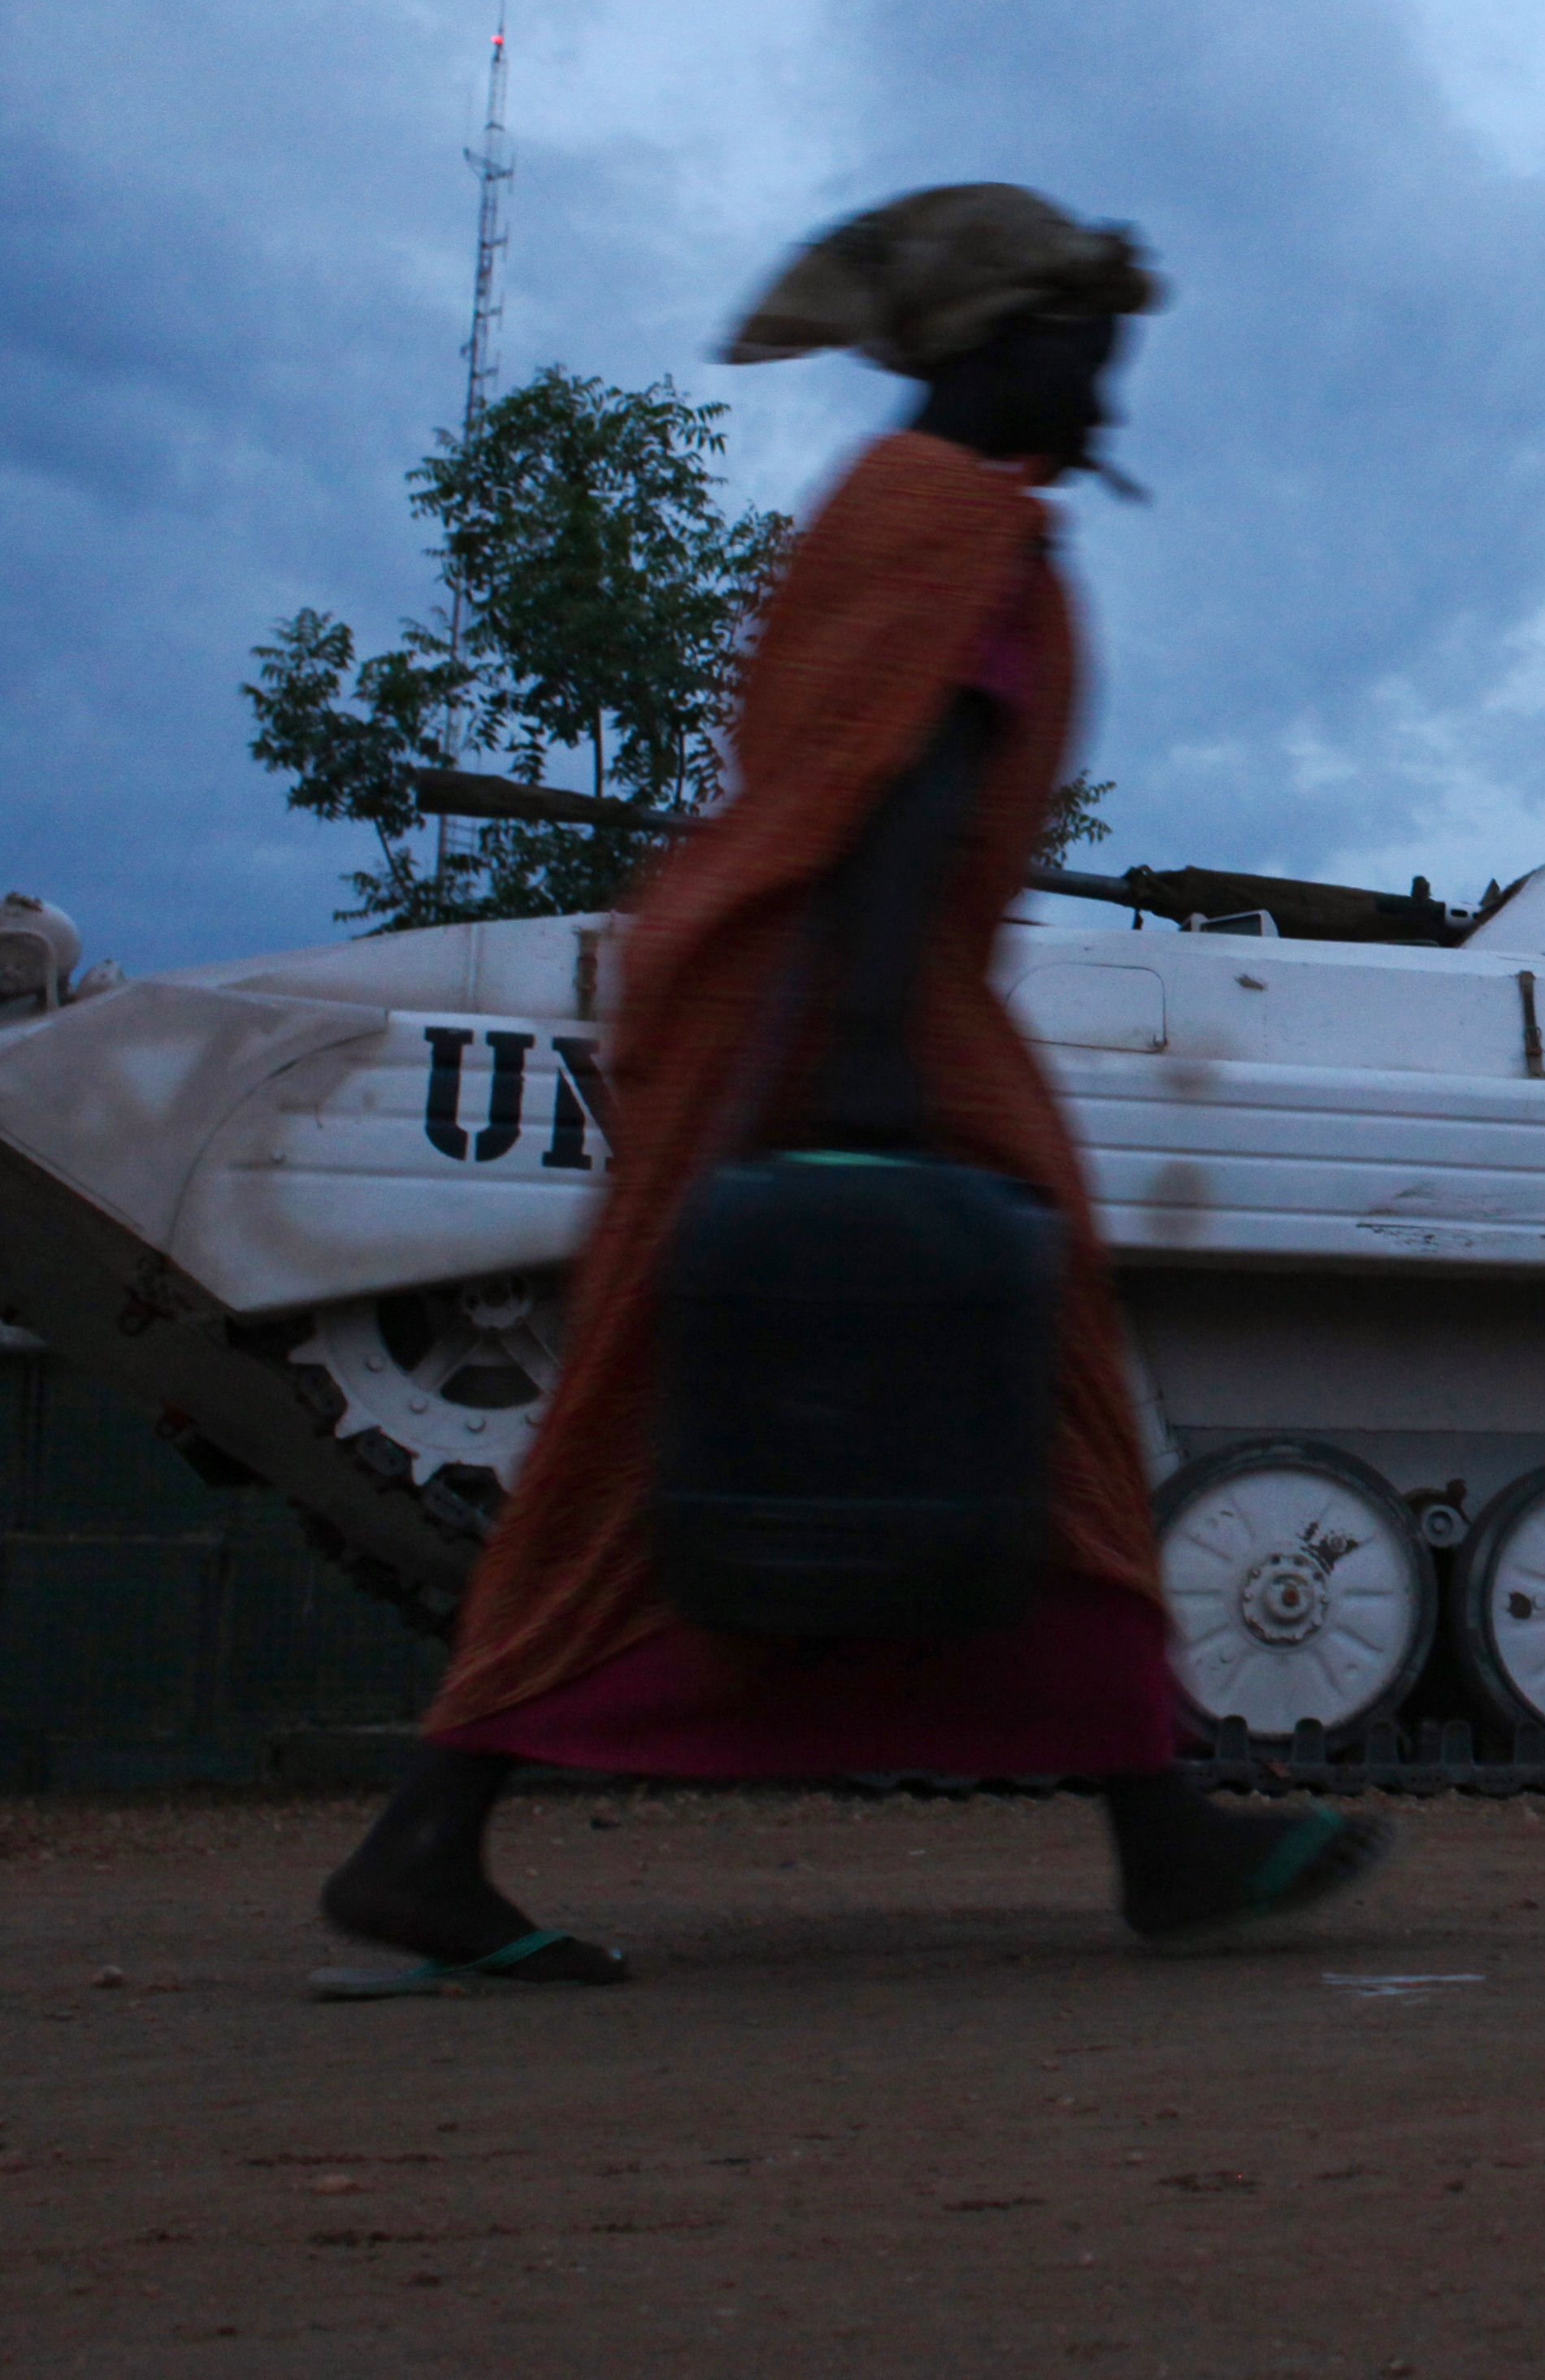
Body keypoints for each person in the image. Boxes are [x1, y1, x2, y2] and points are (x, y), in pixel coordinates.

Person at [312, 185, 1390, 1996]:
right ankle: (1157, 1837)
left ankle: (1154, 1826)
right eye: (1082, 346)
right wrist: (880, 1050)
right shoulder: (961, 525)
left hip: (796, 988)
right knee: (960, 1389)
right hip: (838, 997)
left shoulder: (903, 509)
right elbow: (903, 782)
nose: (1108, 384)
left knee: (734, 1411)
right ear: (997, 342)